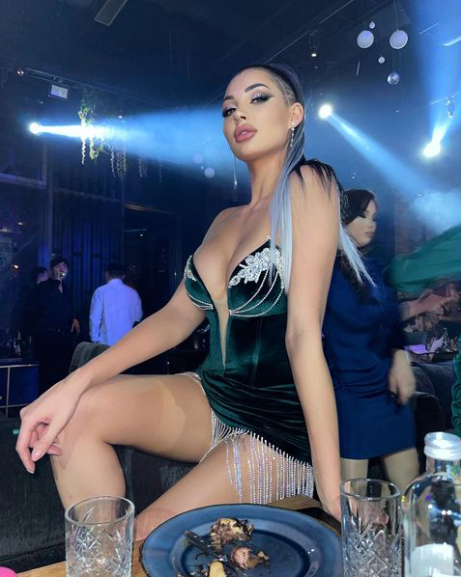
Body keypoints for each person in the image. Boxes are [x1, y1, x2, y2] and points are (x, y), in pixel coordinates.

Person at [16, 64, 368, 539]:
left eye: (258, 98)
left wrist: (331, 486)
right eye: (228, 108)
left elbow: (303, 334)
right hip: (211, 395)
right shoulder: (224, 219)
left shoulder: (310, 184)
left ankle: (116, 559)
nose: (238, 113)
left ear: (294, 115)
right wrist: (70, 385)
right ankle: (99, 562)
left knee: (149, 533)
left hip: (275, 424)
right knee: (71, 418)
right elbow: (175, 317)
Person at [322, 188, 418, 491]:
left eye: (375, 217)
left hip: (387, 389)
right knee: (354, 505)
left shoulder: (372, 267)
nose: (371, 224)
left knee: (412, 494)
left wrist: (400, 357)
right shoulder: (321, 270)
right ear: (342, 218)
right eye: (363, 216)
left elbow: (390, 320)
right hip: (349, 392)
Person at [29, 256, 80, 394]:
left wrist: (74, 318)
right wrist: (57, 282)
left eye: (65, 266)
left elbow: (68, 308)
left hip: (64, 337)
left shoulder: (68, 289)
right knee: (48, 376)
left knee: (63, 374)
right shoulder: (43, 287)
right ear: (52, 269)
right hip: (48, 336)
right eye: (58, 266)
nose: (62, 269)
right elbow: (42, 306)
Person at [89, 263, 143, 346]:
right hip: (127, 343)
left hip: (106, 343)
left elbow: (94, 319)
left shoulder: (100, 291)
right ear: (123, 276)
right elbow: (138, 317)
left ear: (107, 274)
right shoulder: (133, 293)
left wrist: (94, 339)